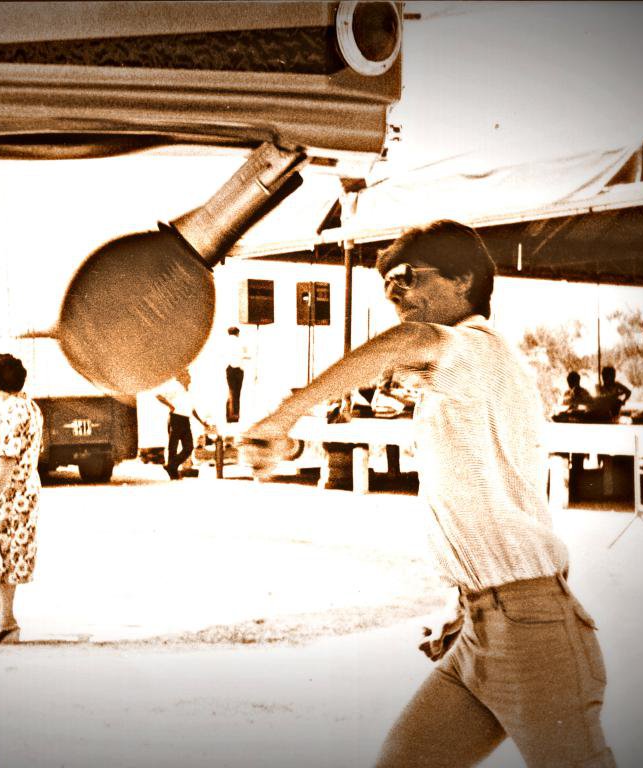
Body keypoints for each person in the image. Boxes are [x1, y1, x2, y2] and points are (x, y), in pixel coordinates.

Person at [241, 220, 614, 767]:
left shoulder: (477, 349)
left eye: (407, 276)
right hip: (482, 628)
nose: (394, 292)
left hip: (534, 633)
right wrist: (465, 603)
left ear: (464, 280)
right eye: (386, 283)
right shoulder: (454, 379)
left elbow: (405, 343)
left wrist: (285, 414)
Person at [0, 353, 44, 644]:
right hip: (24, 491)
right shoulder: (31, 407)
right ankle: (3, 619)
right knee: (7, 556)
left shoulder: (11, 410)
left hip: (10, 495)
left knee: (0, 557)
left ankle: (6, 621)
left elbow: (7, 457)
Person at [156, 368, 210, 480]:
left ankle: (171, 466)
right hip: (176, 418)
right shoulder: (175, 387)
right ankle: (173, 474)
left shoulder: (188, 391)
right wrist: (170, 406)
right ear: (181, 377)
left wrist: (201, 422)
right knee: (173, 448)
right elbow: (158, 395)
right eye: (187, 375)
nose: (190, 377)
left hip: (185, 420)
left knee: (188, 447)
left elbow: (192, 409)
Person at [224, 326, 251, 424]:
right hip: (238, 369)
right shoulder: (240, 342)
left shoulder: (225, 343)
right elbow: (246, 355)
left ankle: (229, 416)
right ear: (237, 333)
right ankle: (235, 415)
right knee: (237, 392)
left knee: (231, 391)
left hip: (229, 368)